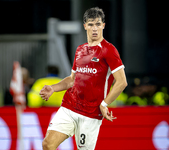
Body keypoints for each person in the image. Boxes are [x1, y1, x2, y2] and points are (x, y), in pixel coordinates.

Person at [40, 7, 127, 150]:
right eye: (91, 24)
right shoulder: (80, 49)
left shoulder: (108, 50)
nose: (95, 28)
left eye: (98, 24)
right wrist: (53, 88)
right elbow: (72, 80)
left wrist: (104, 104)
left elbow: (122, 82)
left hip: (91, 114)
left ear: (103, 26)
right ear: (85, 25)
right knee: (47, 144)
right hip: (69, 106)